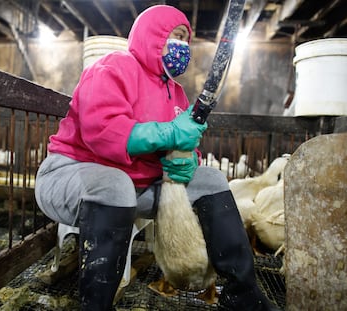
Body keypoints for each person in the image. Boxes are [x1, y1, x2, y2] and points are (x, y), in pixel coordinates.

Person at [35, 4, 280, 311]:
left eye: (186, 41)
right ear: (153, 35)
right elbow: (103, 131)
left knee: (210, 179)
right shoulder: (112, 67)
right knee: (114, 183)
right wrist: (168, 134)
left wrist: (188, 159)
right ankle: (95, 305)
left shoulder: (175, 91)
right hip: (71, 175)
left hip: (135, 187)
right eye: (176, 36)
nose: (183, 47)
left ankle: (242, 296)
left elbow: (183, 139)